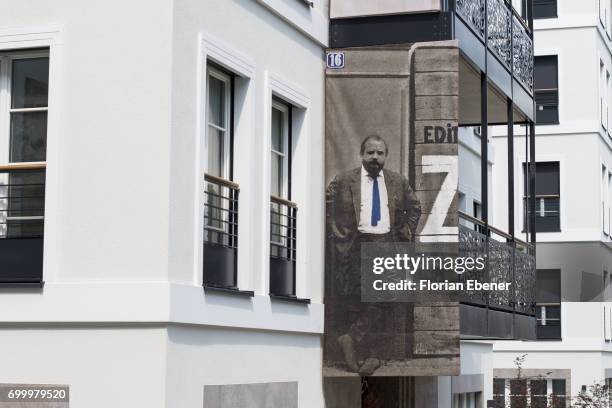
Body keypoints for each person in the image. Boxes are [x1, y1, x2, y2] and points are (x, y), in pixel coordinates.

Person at [325, 135, 421, 375]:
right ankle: (365, 355)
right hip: (355, 244)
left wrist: (406, 232)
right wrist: (336, 232)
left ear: (386, 155)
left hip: (386, 243)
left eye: (379, 153)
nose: (375, 157)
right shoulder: (345, 179)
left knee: (387, 296)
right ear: (362, 155)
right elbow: (327, 204)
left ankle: (352, 339)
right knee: (358, 300)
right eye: (370, 153)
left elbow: (415, 207)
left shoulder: (398, 181)